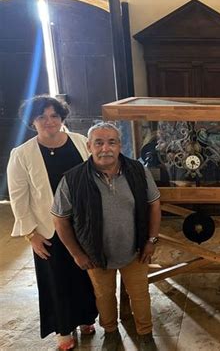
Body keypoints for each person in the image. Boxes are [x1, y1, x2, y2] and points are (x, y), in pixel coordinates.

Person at [51, 122, 161, 351]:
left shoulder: (138, 171)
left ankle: (145, 334)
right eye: (99, 142)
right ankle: (110, 332)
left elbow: (154, 205)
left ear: (120, 145)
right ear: (89, 146)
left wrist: (151, 240)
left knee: (140, 295)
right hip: (95, 253)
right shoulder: (72, 179)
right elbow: (60, 219)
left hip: (135, 250)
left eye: (112, 142)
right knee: (104, 296)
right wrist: (77, 254)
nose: (105, 148)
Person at [6, 95, 98, 350]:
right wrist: (30, 234)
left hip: (82, 224)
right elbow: (18, 197)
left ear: (61, 118)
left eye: (54, 116)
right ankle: (63, 328)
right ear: (32, 121)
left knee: (84, 275)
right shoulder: (22, 154)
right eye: (42, 117)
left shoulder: (80, 142)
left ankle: (86, 318)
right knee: (56, 279)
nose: (49, 122)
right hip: (48, 228)